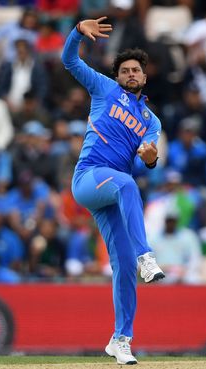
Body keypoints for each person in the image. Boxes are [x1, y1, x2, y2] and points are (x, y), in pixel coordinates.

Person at [61, 16, 165, 365]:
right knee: (126, 183)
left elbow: (150, 155)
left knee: (121, 265)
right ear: (118, 76)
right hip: (89, 178)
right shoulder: (104, 88)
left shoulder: (151, 121)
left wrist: (150, 158)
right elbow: (70, 61)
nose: (131, 74)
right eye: (125, 71)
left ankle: (121, 340)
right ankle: (146, 256)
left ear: (144, 77)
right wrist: (77, 32)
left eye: (136, 70)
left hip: (113, 190)